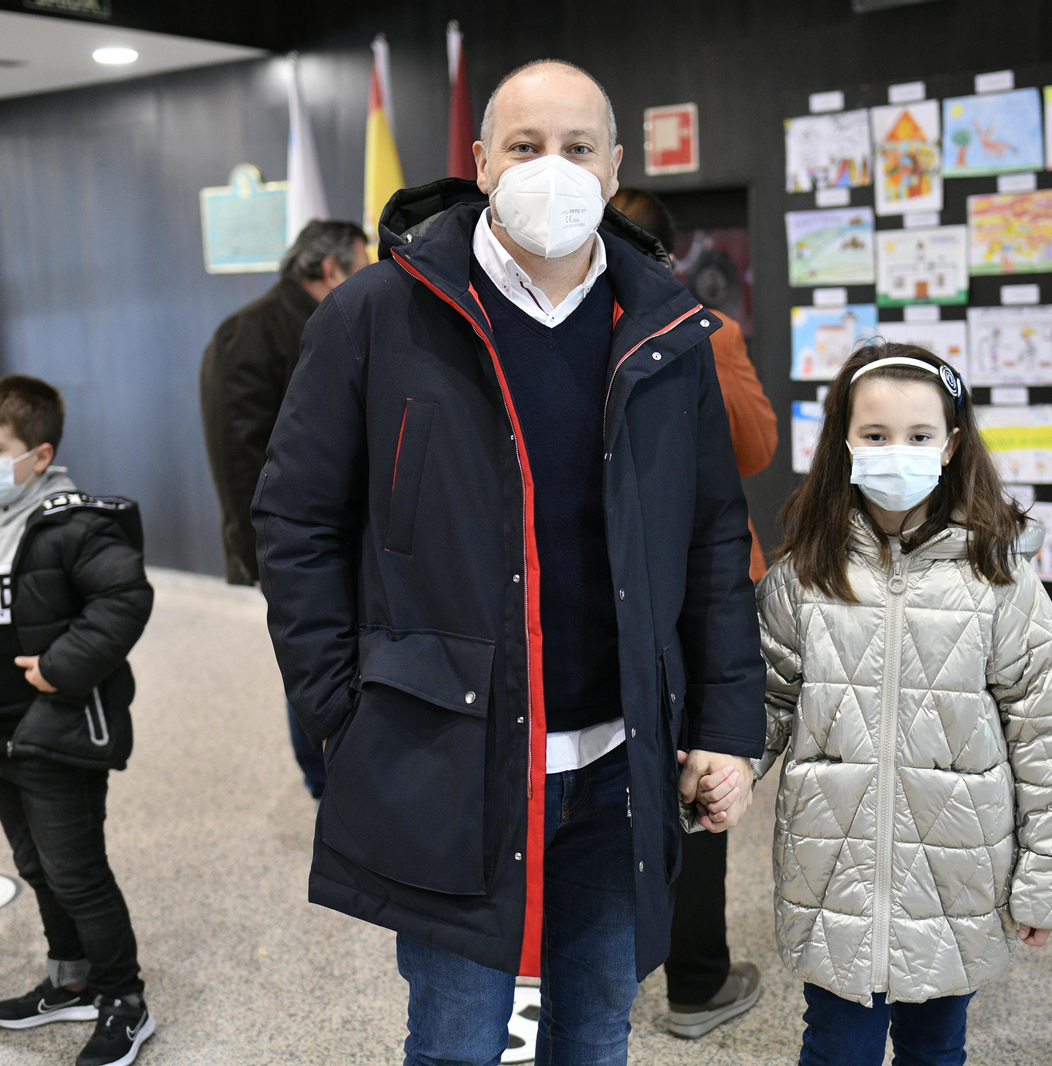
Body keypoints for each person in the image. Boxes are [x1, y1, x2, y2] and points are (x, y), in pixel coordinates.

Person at [253, 59, 766, 1066]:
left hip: (619, 761)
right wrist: (342, 713)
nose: (552, 168)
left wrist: (723, 726)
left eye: (578, 148)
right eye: (526, 147)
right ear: (482, 162)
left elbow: (712, 536)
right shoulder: (376, 312)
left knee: (595, 1034)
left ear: (614, 168)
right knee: (455, 1040)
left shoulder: (665, 325)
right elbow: (296, 520)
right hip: (450, 751)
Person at [754, 343, 1052, 1065]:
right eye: (875, 435)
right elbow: (762, 703)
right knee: (835, 1050)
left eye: (918, 435)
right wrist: (705, 780)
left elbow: (1051, 736)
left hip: (955, 879)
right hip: (835, 878)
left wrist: (1049, 881)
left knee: (935, 1051)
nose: (896, 451)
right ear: (844, 441)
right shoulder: (803, 575)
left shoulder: (998, 578)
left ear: (952, 445)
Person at [0, 376, 156, 1066]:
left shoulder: (74, 524)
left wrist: (61, 665)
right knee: (36, 866)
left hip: (57, 729)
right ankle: (70, 979)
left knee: (76, 872)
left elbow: (125, 598)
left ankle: (124, 999)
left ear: (40, 455)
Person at [610, 186, 775, 1038]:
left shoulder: (698, 330)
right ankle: (689, 979)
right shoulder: (704, 329)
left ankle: (671, 974)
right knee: (687, 761)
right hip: (669, 585)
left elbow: (749, 446)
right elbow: (758, 446)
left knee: (682, 762)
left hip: (670, 580)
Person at [199, 220, 367, 800]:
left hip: (346, 531)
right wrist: (256, 554)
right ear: (331, 269)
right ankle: (324, 783)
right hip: (291, 540)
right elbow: (236, 456)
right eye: (363, 264)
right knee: (313, 653)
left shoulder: (337, 321)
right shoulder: (248, 332)